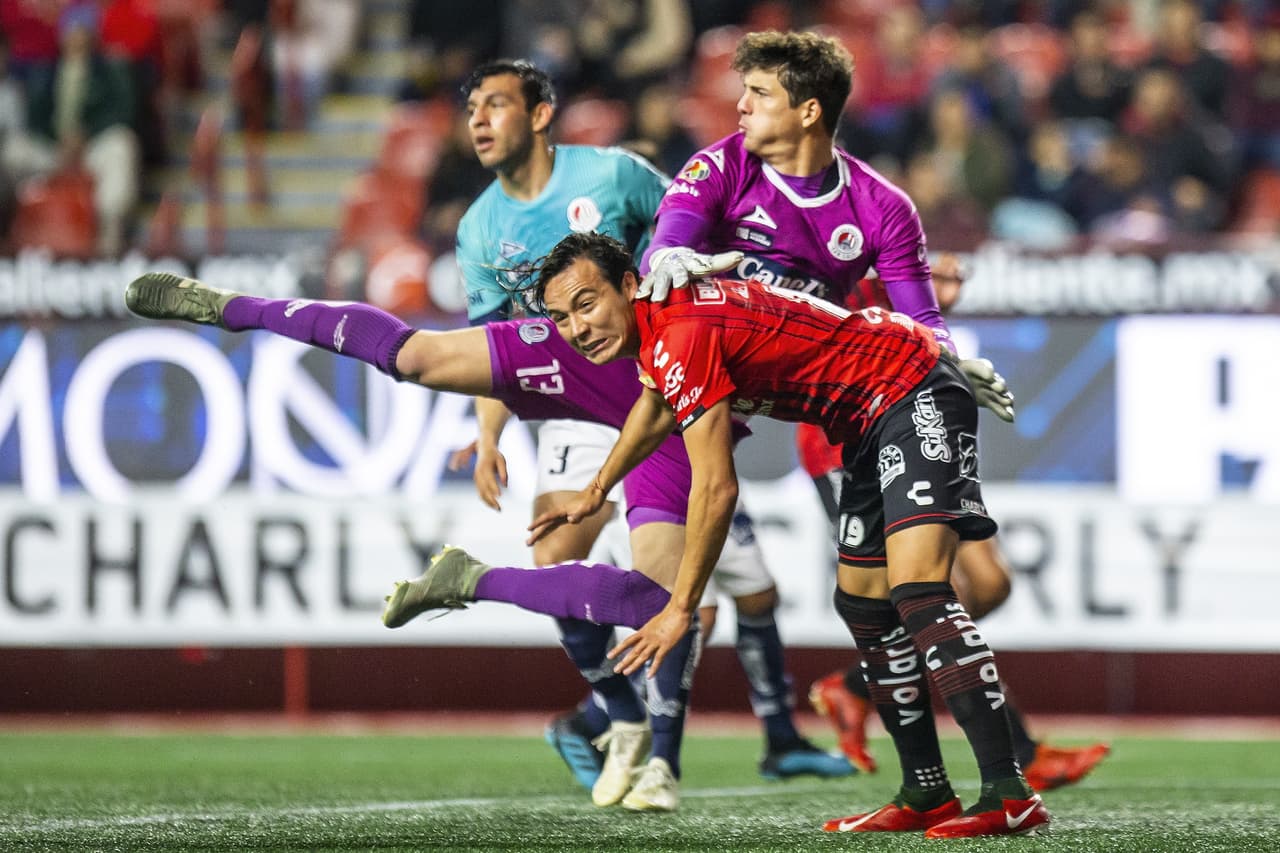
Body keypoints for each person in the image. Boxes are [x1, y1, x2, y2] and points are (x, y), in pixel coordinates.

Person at [519, 231, 1045, 838]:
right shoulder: (657, 329)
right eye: (561, 317)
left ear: (630, 286)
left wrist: (679, 608)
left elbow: (716, 489)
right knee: (864, 604)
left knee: (919, 591)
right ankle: (927, 792)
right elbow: (655, 404)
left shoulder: (678, 332)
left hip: (911, 389)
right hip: (870, 417)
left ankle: (1010, 793)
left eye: (587, 304)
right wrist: (597, 487)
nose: (577, 329)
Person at [451, 57, 849, 794]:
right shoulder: (477, 229)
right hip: (577, 401)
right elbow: (491, 348)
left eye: (495, 104)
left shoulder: (614, 176)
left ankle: (778, 737)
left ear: (540, 113)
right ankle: (617, 718)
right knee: (558, 557)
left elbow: (689, 230)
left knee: (749, 589)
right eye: (471, 107)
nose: (477, 119)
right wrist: (489, 436)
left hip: (665, 384)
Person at [805, 257, 1111, 791]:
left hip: (924, 439)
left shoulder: (928, 325)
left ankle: (856, 684)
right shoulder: (860, 283)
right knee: (927, 593)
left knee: (990, 585)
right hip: (846, 452)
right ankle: (1013, 757)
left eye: (959, 278)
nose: (950, 287)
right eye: (938, 272)